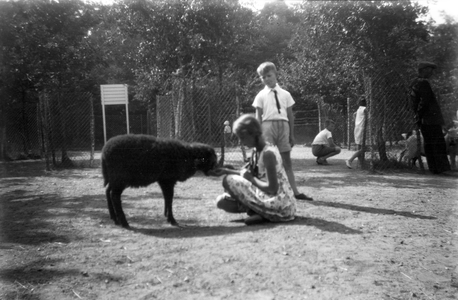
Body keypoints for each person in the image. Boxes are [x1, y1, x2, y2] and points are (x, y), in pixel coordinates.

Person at [209, 114, 296, 225]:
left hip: (280, 204)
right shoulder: (256, 151)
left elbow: (272, 188)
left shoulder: (268, 154)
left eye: (243, 137)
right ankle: (260, 213)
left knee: (228, 180)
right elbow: (249, 174)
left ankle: (262, 213)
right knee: (222, 202)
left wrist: (250, 178)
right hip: (266, 196)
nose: (241, 141)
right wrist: (226, 171)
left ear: (253, 134)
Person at [252, 62, 313, 201]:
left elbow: (290, 115)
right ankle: (268, 191)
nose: (266, 79)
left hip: (283, 126)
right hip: (267, 127)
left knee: (286, 161)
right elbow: (258, 117)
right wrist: (258, 135)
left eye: (269, 75)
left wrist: (292, 134)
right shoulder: (260, 96)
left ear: (275, 74)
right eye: (263, 77)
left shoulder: (286, 94)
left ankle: (295, 192)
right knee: (268, 159)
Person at [410, 61, 451, 174]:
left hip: (424, 119)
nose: (432, 72)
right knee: (437, 143)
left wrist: (418, 116)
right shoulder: (423, 83)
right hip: (430, 119)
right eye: (430, 69)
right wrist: (419, 114)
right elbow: (424, 101)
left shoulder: (415, 82)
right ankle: (440, 169)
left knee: (429, 144)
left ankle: (434, 168)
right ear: (423, 70)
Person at [346, 99, 367, 169]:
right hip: (361, 129)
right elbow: (368, 116)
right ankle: (350, 160)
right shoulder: (365, 109)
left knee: (359, 147)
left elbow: (354, 114)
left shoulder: (358, 109)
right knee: (363, 148)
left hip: (357, 128)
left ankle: (361, 164)